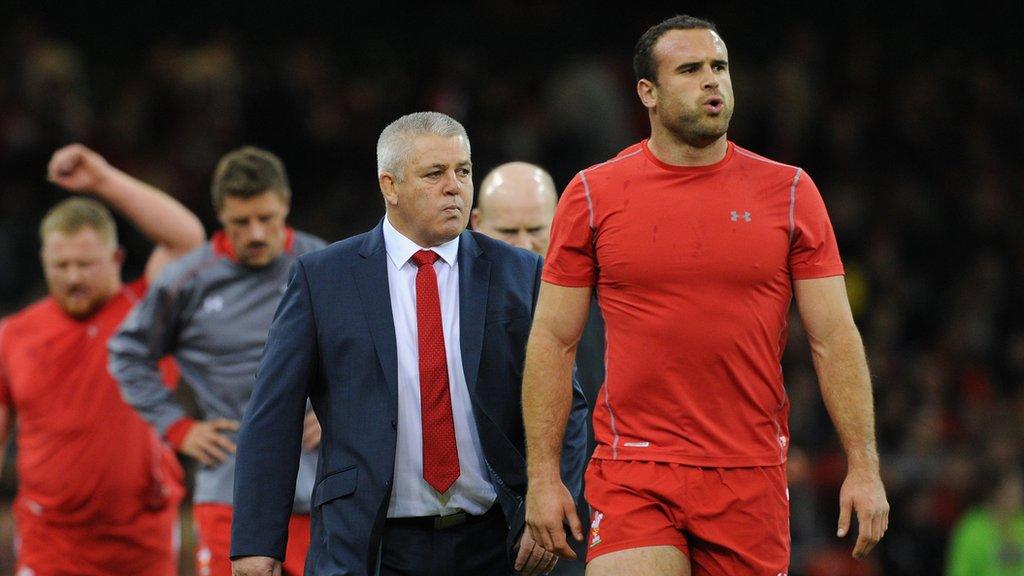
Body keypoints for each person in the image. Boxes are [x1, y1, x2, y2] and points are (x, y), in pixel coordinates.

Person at [522, 14, 889, 576]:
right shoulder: (593, 194)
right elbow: (552, 338)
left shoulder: (790, 192)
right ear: (647, 92)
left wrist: (863, 466)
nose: (711, 81)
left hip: (751, 474)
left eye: (719, 67)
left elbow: (834, 338)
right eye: (690, 70)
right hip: (635, 469)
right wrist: (544, 479)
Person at [229, 112, 589, 576]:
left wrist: (553, 495)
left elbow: (569, 403)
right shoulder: (323, 279)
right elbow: (271, 417)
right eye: (435, 174)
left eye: (463, 171)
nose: (455, 186)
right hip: (366, 544)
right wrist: (257, 542)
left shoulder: (521, 274)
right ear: (390, 186)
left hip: (497, 541)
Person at [108, 146, 325, 576]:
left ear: (286, 204)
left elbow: (371, 352)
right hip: (230, 494)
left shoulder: (324, 265)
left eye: (267, 218)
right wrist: (177, 427)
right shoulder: (186, 281)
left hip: (322, 493)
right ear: (219, 214)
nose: (257, 233)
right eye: (241, 222)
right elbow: (127, 352)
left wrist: (336, 405)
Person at [0, 143, 205, 575]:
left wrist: (104, 181)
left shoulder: (149, 312)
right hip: (48, 544)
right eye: (62, 265)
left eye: (86, 264)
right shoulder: (14, 335)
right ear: (44, 262)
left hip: (140, 543)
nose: (73, 277)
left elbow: (188, 240)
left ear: (115, 259)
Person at [472, 161, 602, 576]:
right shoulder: (450, 310)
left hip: (582, 524)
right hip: (475, 531)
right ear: (476, 224)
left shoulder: (608, 308)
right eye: (508, 232)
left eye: (536, 229)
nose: (524, 245)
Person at [947, 467, 1024, 576]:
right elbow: (960, 568)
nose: (1019, 496)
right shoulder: (973, 526)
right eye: (1013, 491)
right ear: (997, 492)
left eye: (1020, 491)